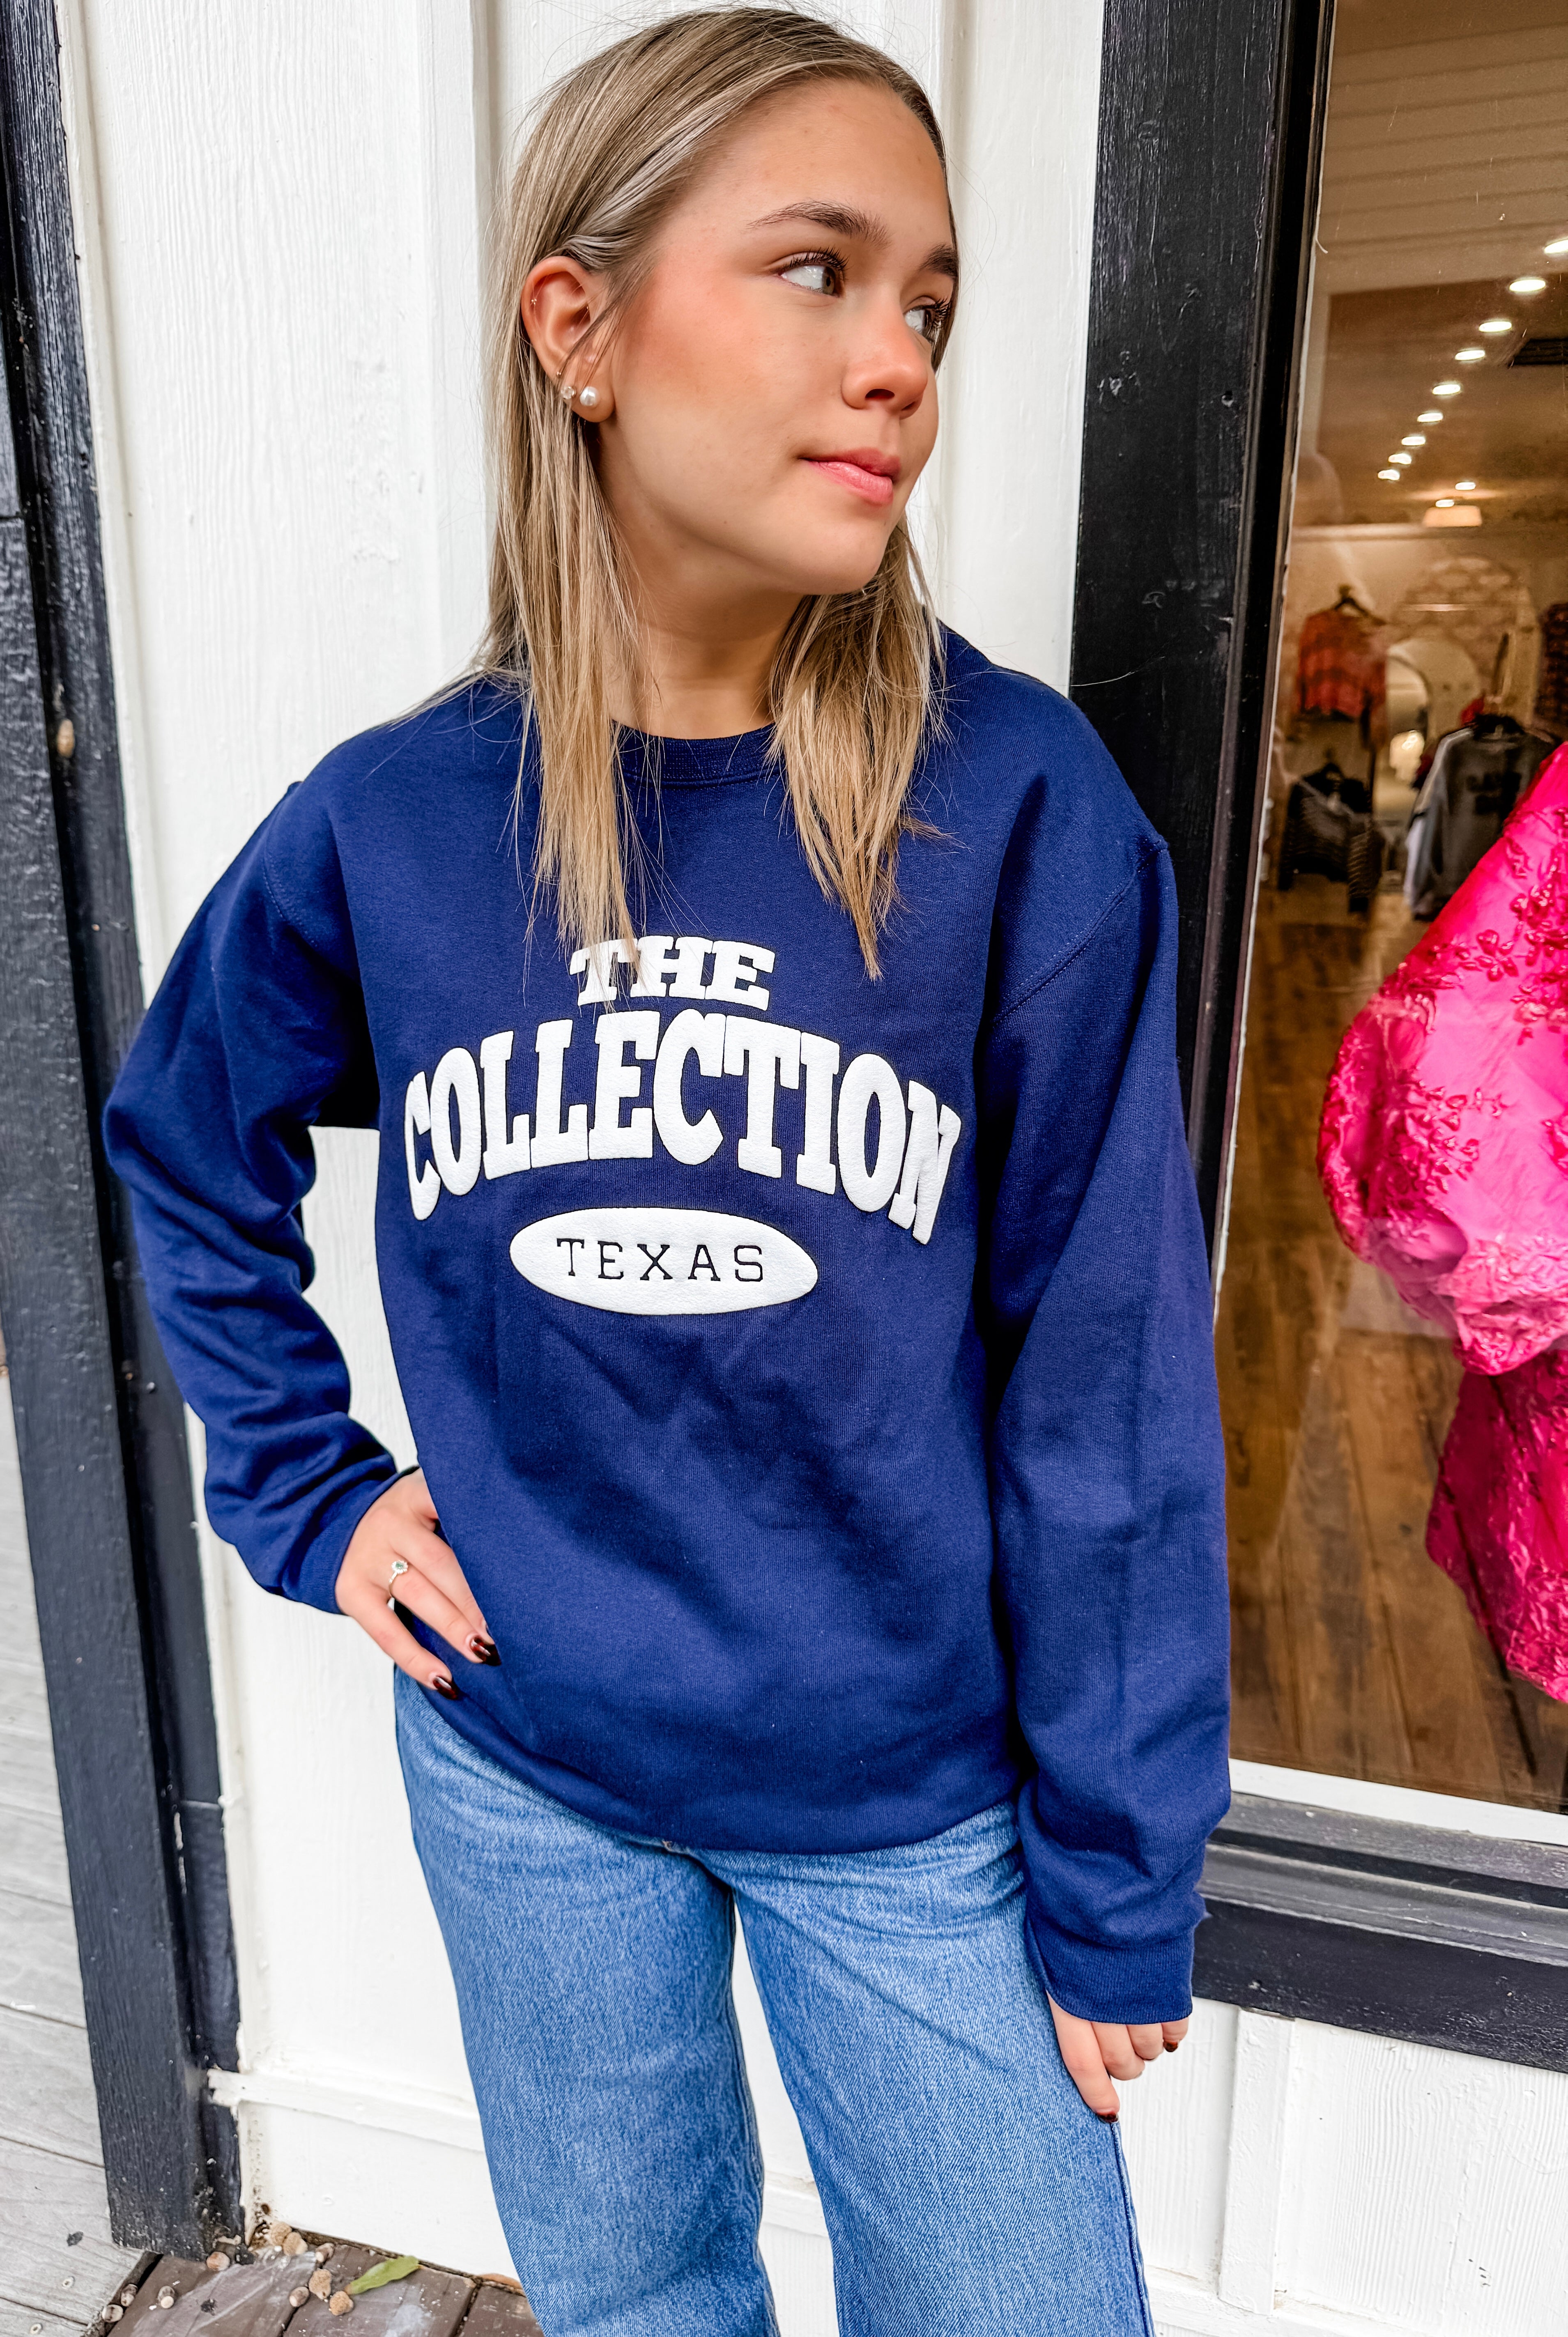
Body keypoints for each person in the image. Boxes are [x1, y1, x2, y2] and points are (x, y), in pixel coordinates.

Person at [105, 11, 1230, 2333]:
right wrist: (310, 1498)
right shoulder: (396, 825)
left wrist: (1120, 1861)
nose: (898, 358)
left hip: (916, 1809)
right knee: (630, 2302)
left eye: (928, 300)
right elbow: (182, 1140)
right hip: (530, 1766)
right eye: (818, 269)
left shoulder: (1020, 823)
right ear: (580, 326)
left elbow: (1107, 1393)